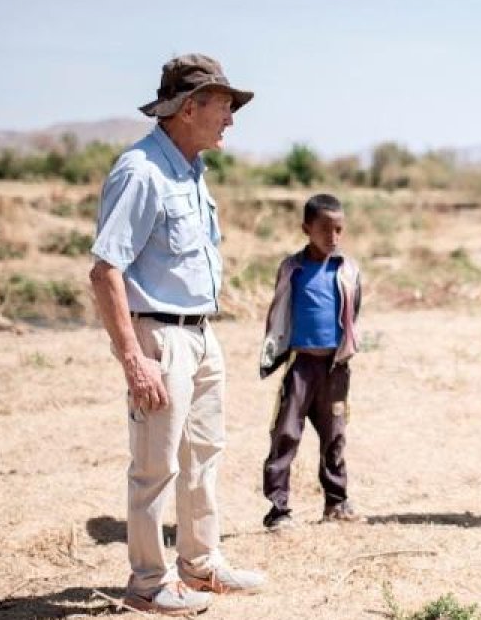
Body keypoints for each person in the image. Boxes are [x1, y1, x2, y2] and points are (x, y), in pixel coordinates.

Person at [89, 53, 266, 615]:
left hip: (200, 333)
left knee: (203, 455)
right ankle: (147, 582)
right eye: (223, 107)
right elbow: (105, 270)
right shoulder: (141, 171)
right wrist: (134, 360)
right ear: (190, 108)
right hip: (159, 338)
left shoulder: (189, 170)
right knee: (155, 465)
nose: (231, 120)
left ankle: (200, 562)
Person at [257, 193, 363, 531]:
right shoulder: (293, 268)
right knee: (286, 432)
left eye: (339, 230)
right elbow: (279, 310)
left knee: (334, 435)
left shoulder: (346, 269)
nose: (333, 238)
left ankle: (336, 502)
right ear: (306, 228)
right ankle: (278, 510)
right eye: (325, 230)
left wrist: (343, 352)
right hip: (300, 366)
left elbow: (353, 310)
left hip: (335, 369)